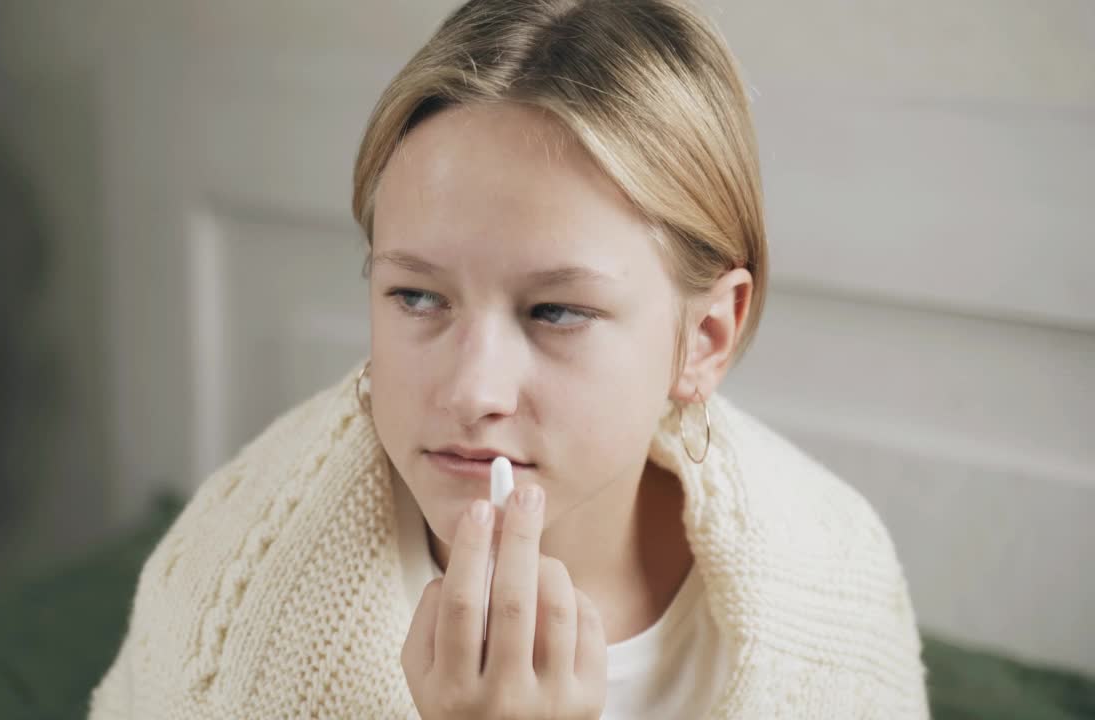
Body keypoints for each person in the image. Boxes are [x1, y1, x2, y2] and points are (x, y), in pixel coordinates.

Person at [89, 1, 929, 717]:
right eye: (418, 296)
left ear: (704, 339)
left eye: (556, 311)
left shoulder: (838, 582)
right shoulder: (226, 594)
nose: (471, 390)